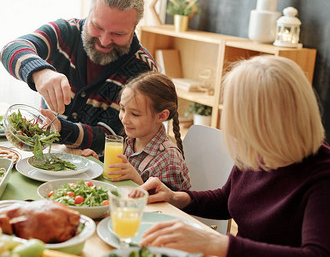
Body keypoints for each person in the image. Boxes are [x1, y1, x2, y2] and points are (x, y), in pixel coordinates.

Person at [137, 56, 330, 256]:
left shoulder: (322, 177)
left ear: (268, 121)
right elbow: (227, 198)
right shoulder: (259, 149)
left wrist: (220, 244)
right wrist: (176, 197)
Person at [0, 0, 157, 153]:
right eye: (97, 26)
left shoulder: (143, 71)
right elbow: (10, 49)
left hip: (102, 172)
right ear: (88, 14)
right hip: (48, 157)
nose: (104, 41)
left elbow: (113, 139)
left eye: (118, 34)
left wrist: (61, 129)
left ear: (134, 27)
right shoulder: (66, 33)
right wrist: (41, 72)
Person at [83, 71, 190, 190]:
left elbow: (168, 205)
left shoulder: (169, 159)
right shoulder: (130, 140)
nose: (124, 119)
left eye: (135, 114)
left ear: (161, 116)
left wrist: (137, 180)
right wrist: (99, 165)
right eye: (122, 109)